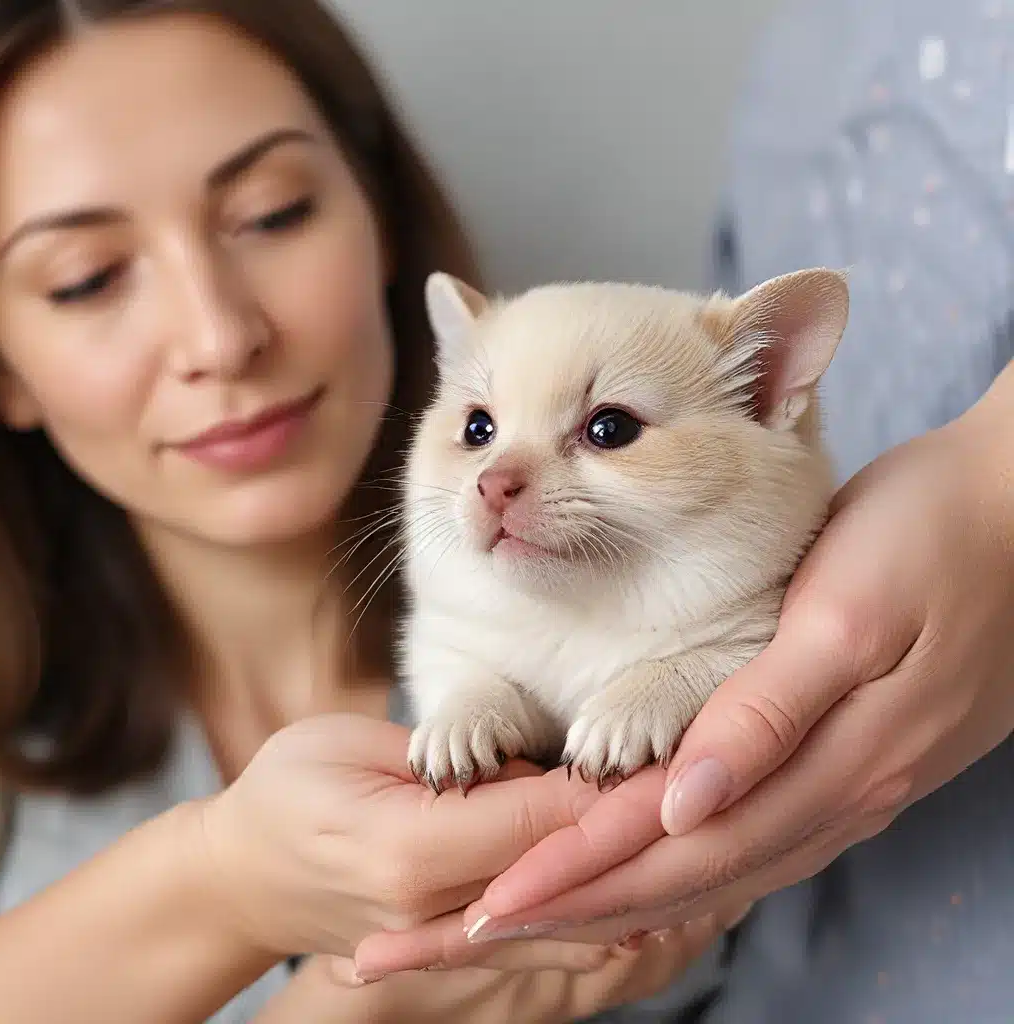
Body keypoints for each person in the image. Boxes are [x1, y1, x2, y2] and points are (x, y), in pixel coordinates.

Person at [0, 1, 752, 1021]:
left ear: (379, 215)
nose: (219, 336)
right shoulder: (14, 749)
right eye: (85, 280)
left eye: (272, 214)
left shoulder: (701, 622)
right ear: (4, 369)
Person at [355, 1, 1014, 1021]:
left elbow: (742, 640)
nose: (498, 478)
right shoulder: (816, 59)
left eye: (607, 428)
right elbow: (458, 656)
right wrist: (472, 705)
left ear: (764, 396)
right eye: (478, 429)